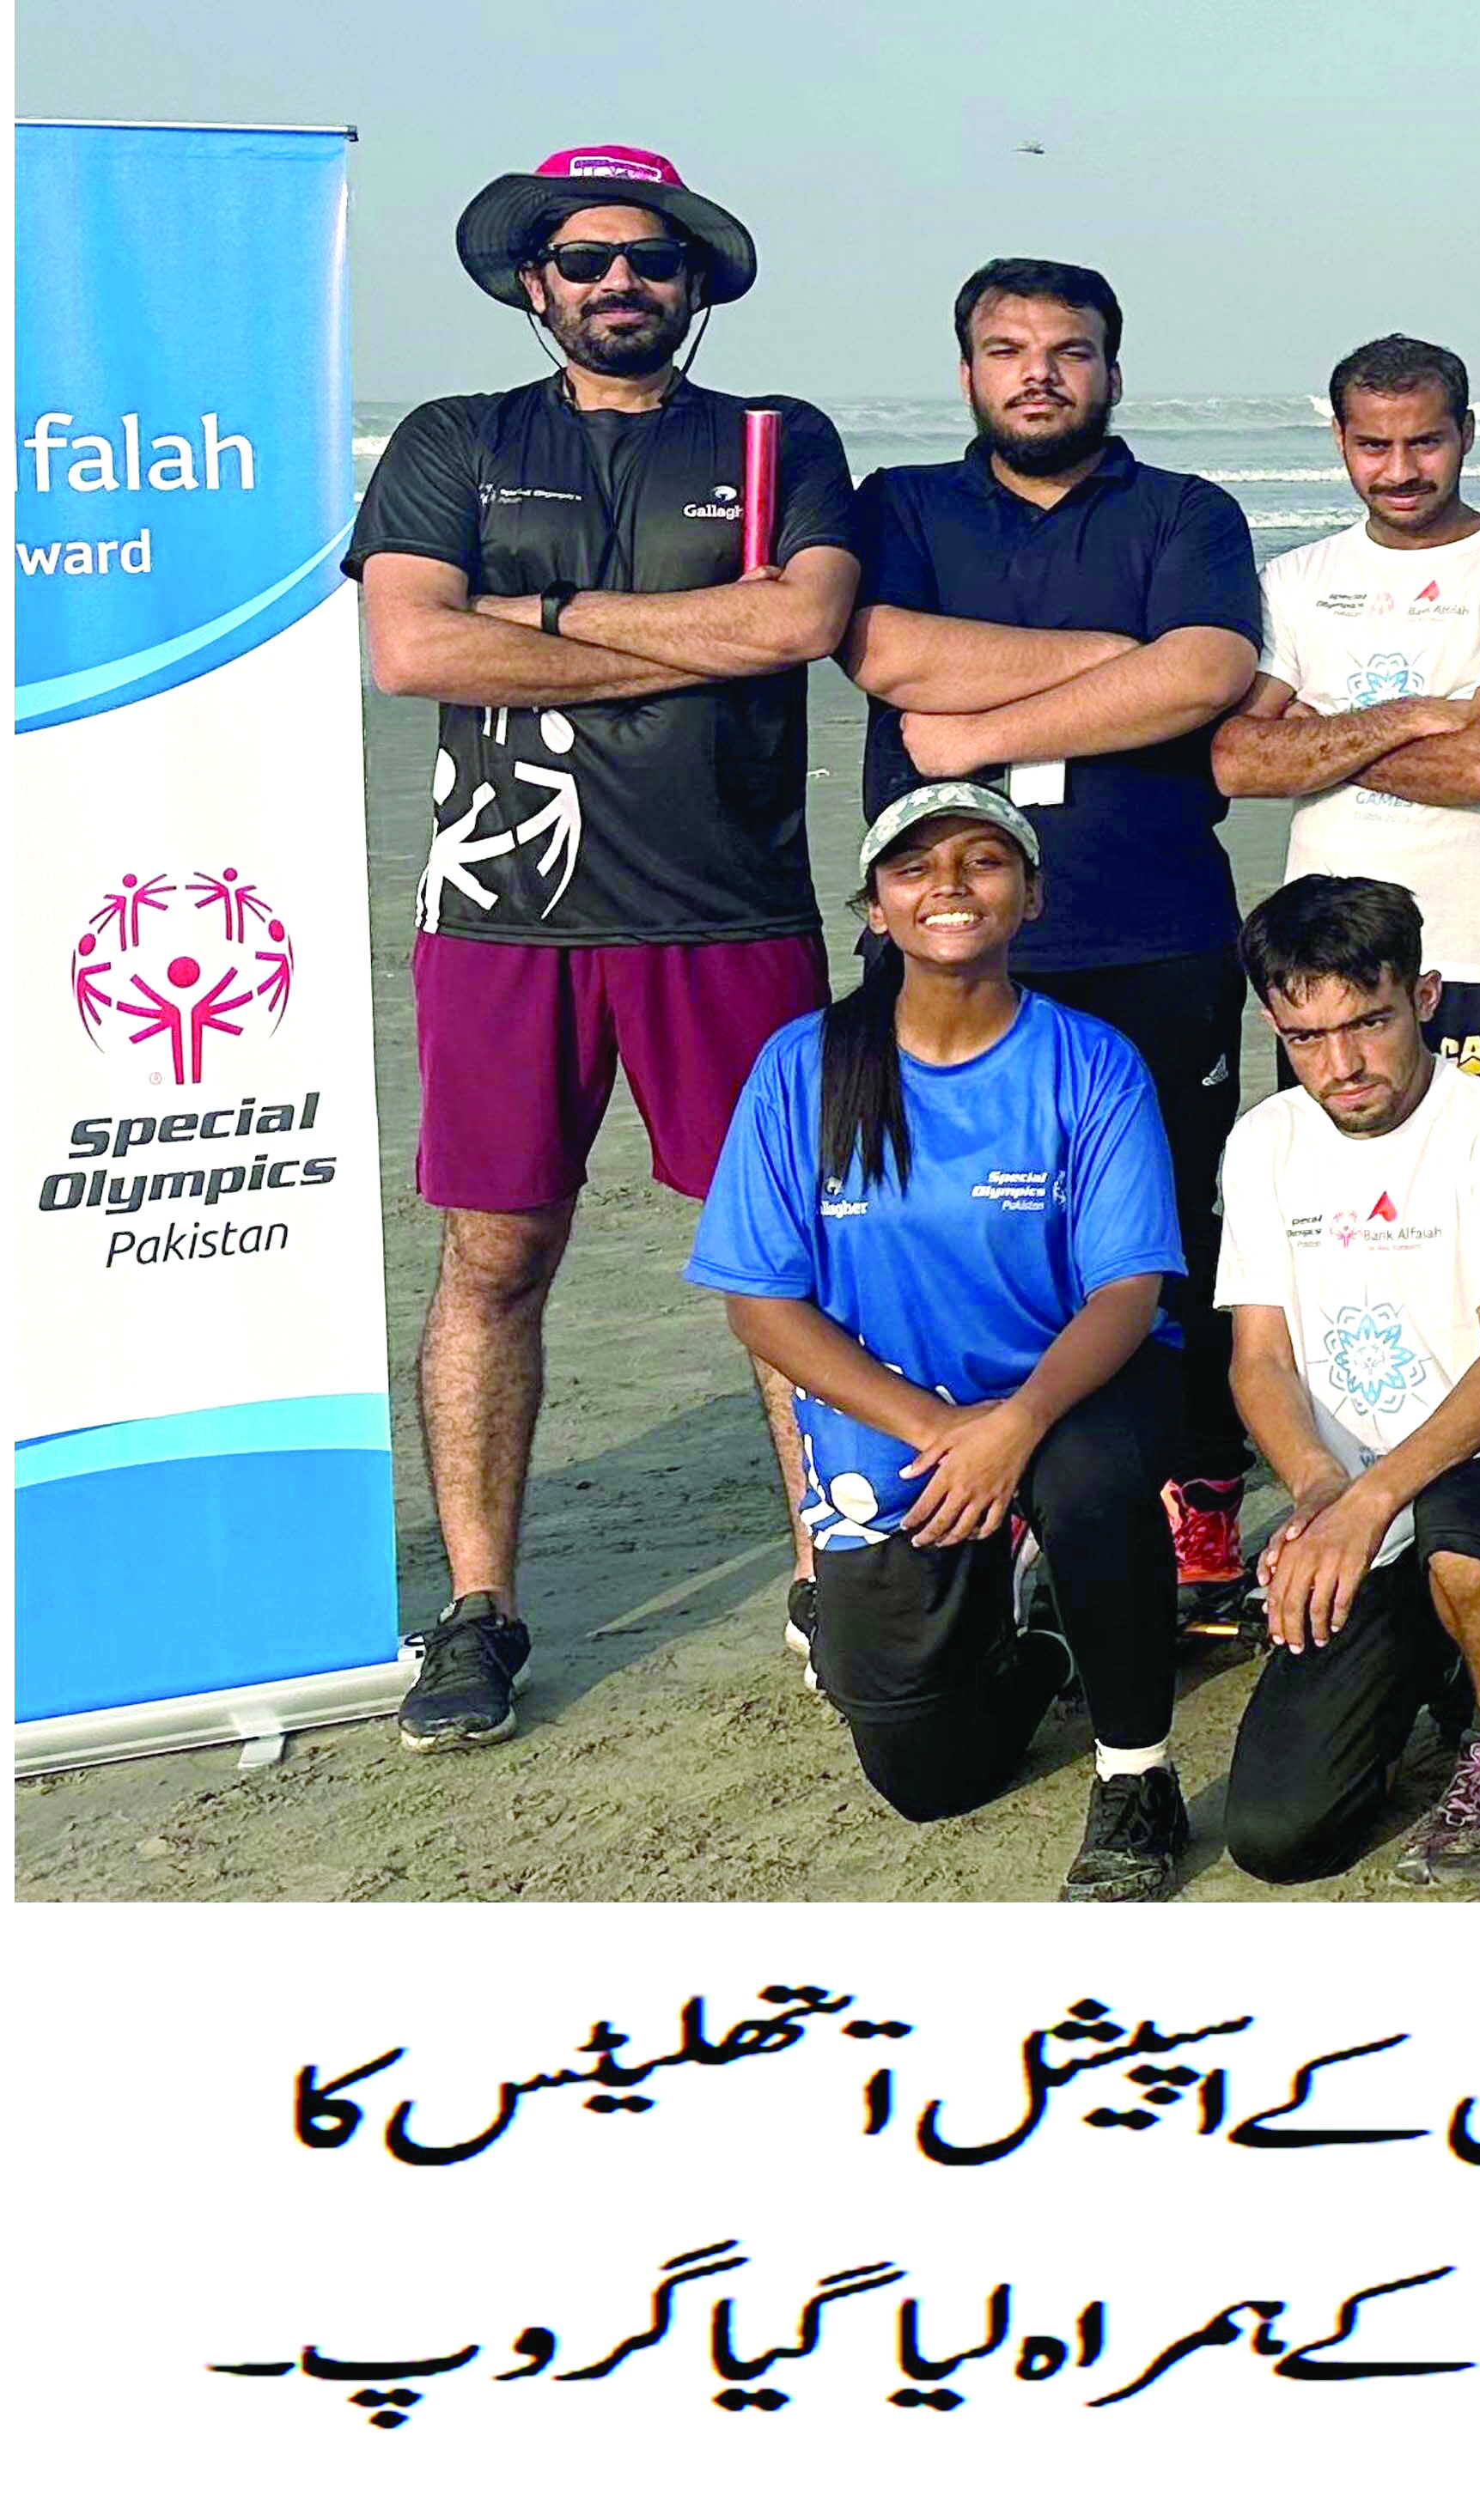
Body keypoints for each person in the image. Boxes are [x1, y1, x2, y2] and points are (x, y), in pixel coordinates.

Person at [355, 144, 862, 1747]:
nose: (616, 282)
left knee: (784, 1254)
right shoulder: (454, 439)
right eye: (582, 260)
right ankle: (477, 1608)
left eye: (649, 258)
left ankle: (826, 1566)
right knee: (498, 1254)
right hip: (504, 913)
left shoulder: (778, 442)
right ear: (534, 281)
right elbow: (412, 645)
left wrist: (551, 618)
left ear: (694, 279)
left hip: (730, 909)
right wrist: (674, 632)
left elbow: (792, 626)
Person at [841, 255, 1266, 1609]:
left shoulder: (1188, 508)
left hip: (1151, 931)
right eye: (1008, 347)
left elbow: (1207, 669)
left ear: (1112, 371)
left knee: (1177, 1230)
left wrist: (975, 735)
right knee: (945, 1224)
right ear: (966, 371)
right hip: (943, 942)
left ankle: (1197, 1496)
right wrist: (1119, 659)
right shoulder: (897, 506)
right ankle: (980, 1483)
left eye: (1070, 349)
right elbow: (890, 657)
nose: (1040, 370)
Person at [684, 785, 1187, 1899]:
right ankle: (1036, 1633)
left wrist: (1013, 1428)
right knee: (926, 1776)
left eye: (982, 861)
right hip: (897, 1430)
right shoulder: (803, 1065)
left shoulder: (1089, 1061)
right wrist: (937, 1430)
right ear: (874, 909)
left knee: (1092, 1478)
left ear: (1033, 895)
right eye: (914, 867)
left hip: (1068, 1394)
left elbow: (1126, 1288)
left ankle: (1136, 1773)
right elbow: (759, 1302)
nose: (949, 885)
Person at [1207, 875, 1480, 1889]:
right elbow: (1258, 1357)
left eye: (1369, 1022)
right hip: (1360, 1513)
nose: (1343, 1065)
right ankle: (1430, 1664)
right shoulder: (1263, 1143)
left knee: (1465, 1529)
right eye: (1307, 1037)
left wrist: (1371, 1498)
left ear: (1426, 997)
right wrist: (1317, 1492)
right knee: (1276, 1836)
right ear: (1274, 1023)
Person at [1215, 335, 1480, 1113]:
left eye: (1426, 442)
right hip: (1322, 966)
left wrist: (1316, 737)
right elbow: (1235, 760)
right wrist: (1408, 717)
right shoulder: (1296, 579)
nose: (1400, 471)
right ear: (1339, 438)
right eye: (1373, 445)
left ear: (1466, 433)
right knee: (1341, 1208)